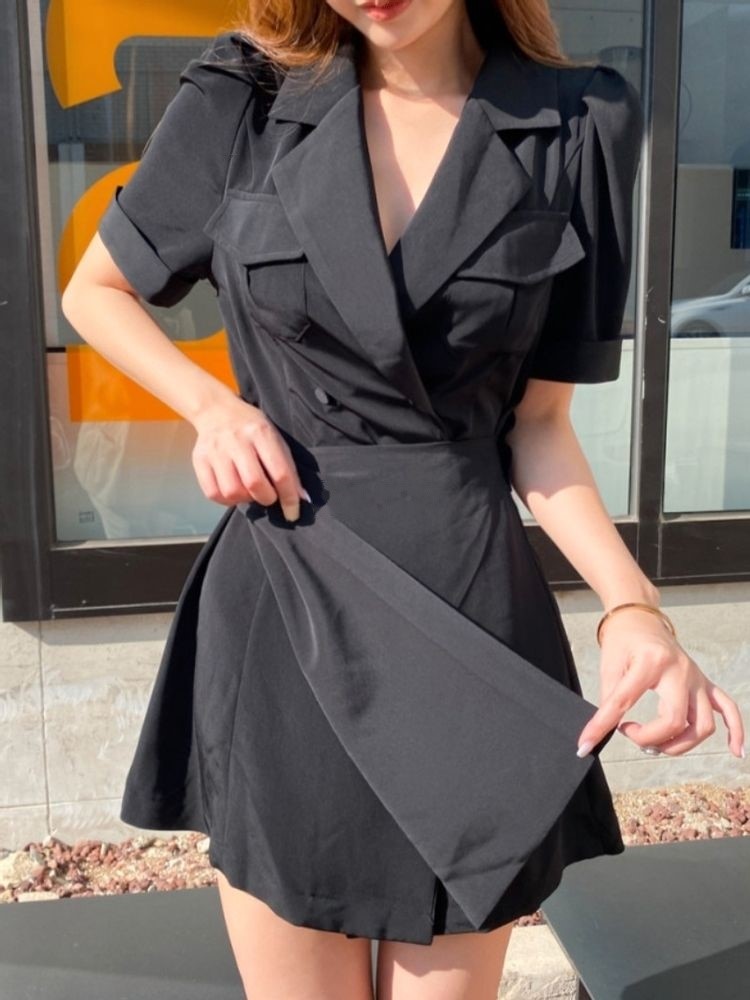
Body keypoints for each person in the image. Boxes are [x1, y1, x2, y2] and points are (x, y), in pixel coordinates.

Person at [61, 1, 746, 998]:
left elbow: (539, 426)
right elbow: (94, 290)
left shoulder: (580, 122)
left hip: (469, 613)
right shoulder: (244, 96)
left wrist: (634, 609)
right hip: (287, 606)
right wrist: (212, 410)